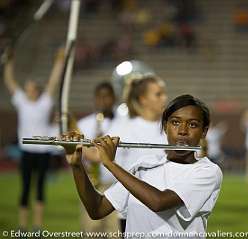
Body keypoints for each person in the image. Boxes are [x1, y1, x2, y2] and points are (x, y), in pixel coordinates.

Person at [63, 94, 223, 238]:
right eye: (175, 122)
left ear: (204, 132)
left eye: (193, 125)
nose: (182, 131)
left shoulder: (208, 172)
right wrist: (77, 165)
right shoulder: (144, 165)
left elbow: (158, 202)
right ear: (165, 127)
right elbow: (97, 209)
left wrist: (110, 163)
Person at [3, 47, 65, 232]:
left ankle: (37, 226)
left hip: (43, 151)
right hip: (27, 151)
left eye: (32, 87)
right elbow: (9, 81)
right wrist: (9, 61)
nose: (29, 90)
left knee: (39, 188)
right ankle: (22, 226)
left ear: (36, 90)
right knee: (25, 188)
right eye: (27, 87)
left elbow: (53, 81)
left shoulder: (44, 102)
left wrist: (59, 61)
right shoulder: (22, 101)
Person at [107, 74, 168, 232]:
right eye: (158, 94)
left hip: (163, 208)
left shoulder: (171, 128)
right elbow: (97, 154)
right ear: (143, 99)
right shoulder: (124, 127)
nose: (164, 98)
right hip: (132, 208)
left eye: (164, 93)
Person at [76, 82, 120, 237]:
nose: (103, 101)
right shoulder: (83, 124)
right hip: (92, 184)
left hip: (115, 185)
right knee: (90, 230)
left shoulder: (123, 122)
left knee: (114, 231)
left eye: (106, 96)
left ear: (114, 98)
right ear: (94, 99)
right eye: (99, 97)